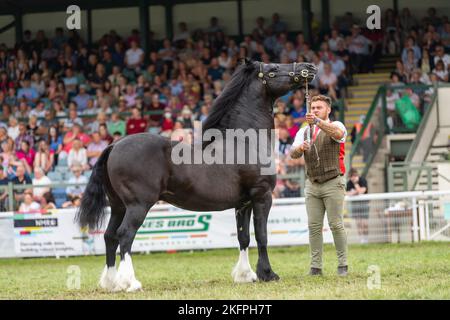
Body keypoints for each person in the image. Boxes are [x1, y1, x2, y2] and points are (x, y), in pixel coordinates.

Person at [290, 94, 348, 276]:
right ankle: (316, 267)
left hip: (333, 181)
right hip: (312, 184)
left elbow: (337, 135)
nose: (315, 110)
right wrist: (300, 149)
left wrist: (317, 121)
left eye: (319, 107)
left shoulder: (337, 125)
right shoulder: (304, 131)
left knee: (336, 224)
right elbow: (292, 153)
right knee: (314, 227)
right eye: (313, 108)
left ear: (328, 109)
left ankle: (342, 265)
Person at [346, 168, 369, 243]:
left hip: (364, 204)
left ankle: (366, 239)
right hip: (355, 204)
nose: (352, 178)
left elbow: (362, 191)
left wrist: (356, 185)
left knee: (365, 223)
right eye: (351, 177)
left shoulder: (363, 180)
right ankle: (361, 239)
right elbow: (347, 193)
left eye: (354, 176)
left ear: (357, 175)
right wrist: (355, 192)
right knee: (358, 223)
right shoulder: (349, 183)